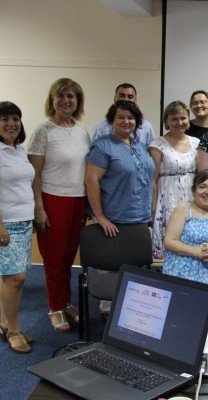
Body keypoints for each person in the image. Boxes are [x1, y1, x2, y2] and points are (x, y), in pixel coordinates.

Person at [28, 78, 91, 333]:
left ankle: (65, 302)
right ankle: (55, 307)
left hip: (78, 200)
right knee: (54, 258)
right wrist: (39, 208)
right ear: (52, 99)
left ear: (78, 101)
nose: (66, 100)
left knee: (68, 257)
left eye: (71, 96)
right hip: (53, 200)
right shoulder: (43, 132)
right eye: (61, 95)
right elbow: (34, 174)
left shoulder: (82, 130)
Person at [85, 101, 155, 319]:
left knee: (135, 268)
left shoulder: (139, 145)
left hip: (139, 217)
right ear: (111, 121)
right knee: (110, 269)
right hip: (113, 218)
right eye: (121, 117)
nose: (126, 121)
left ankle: (132, 310)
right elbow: (91, 181)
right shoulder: (103, 146)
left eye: (131, 118)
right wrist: (100, 216)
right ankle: (109, 311)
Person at [163, 170, 208, 321]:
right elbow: (170, 241)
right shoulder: (184, 208)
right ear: (193, 190)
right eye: (203, 187)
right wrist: (196, 252)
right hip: (183, 266)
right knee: (187, 314)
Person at [0, 101, 34, 353]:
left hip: (24, 221)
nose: (11, 123)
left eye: (15, 118)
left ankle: (5, 323)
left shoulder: (19, 150)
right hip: (6, 223)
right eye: (4, 119)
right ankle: (13, 330)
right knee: (16, 278)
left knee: (11, 277)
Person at [149, 101, 199, 259]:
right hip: (167, 200)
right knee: (170, 241)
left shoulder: (196, 143)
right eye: (174, 119)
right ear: (167, 121)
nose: (179, 122)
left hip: (192, 198)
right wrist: (152, 209)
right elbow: (153, 181)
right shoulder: (157, 145)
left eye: (183, 118)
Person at [91, 83, 155, 147]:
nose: (126, 100)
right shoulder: (100, 127)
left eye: (130, 97)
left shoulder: (146, 127)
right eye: (122, 96)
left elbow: (151, 151)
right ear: (115, 98)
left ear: (135, 100)